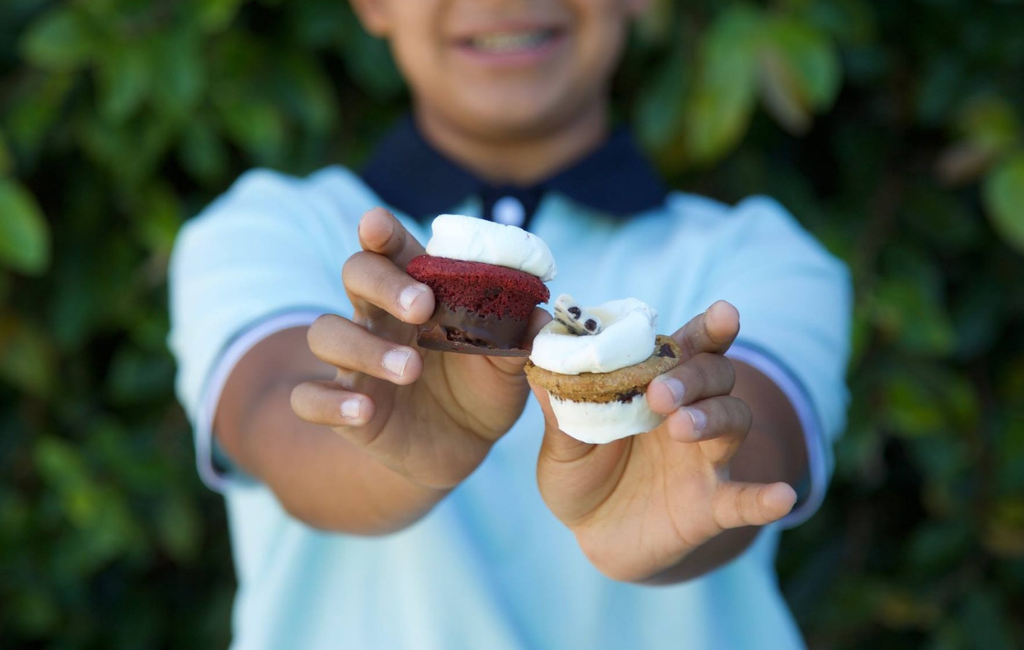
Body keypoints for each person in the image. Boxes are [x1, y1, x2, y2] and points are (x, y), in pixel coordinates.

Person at [168, 0, 851, 647]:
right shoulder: (268, 230)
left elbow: (754, 462)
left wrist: (679, 495)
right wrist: (386, 454)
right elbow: (276, 426)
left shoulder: (761, 258)